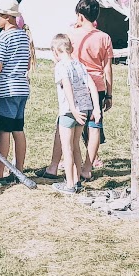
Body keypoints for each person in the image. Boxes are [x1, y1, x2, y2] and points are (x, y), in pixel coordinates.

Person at [42, 0, 113, 179]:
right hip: (96, 85)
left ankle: (54, 166)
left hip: (74, 85)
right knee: (94, 126)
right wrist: (109, 93)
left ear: (80, 16)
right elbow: (107, 67)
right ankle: (87, 168)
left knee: (64, 125)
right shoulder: (104, 37)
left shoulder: (71, 34)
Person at [0, 0, 32, 185]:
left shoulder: (2, 37)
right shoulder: (24, 35)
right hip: (22, 87)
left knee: (4, 132)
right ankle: (19, 170)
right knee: (18, 129)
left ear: (7, 17)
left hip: (6, 89)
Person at [50, 34, 96, 195]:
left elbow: (67, 86)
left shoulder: (61, 66)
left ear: (56, 51)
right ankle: (77, 180)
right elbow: (92, 85)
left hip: (69, 111)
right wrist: (95, 108)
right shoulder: (80, 65)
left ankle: (69, 183)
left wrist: (72, 108)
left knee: (67, 148)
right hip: (84, 109)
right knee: (76, 145)